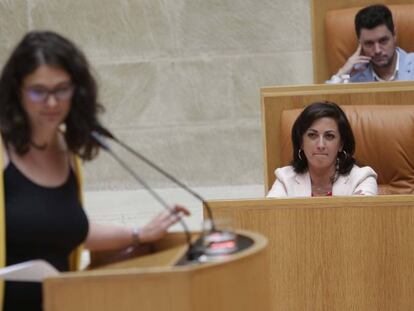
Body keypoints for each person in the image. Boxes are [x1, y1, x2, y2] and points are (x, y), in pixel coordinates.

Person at [0, 30, 190, 310]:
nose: (52, 103)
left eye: (61, 89)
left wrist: (139, 234)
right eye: (39, 91)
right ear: (18, 91)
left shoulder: (65, 151)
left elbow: (65, 228)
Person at [267, 102, 377, 198]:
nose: (320, 145)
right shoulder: (285, 179)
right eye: (312, 135)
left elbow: (361, 219)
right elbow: (271, 218)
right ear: (301, 142)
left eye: (329, 136)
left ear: (341, 144)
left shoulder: (362, 179)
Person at [327, 4, 414, 83]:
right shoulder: (353, 76)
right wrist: (343, 71)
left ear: (394, 35)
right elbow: (324, 99)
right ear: (360, 43)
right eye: (369, 43)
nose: (377, 50)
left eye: (383, 41)